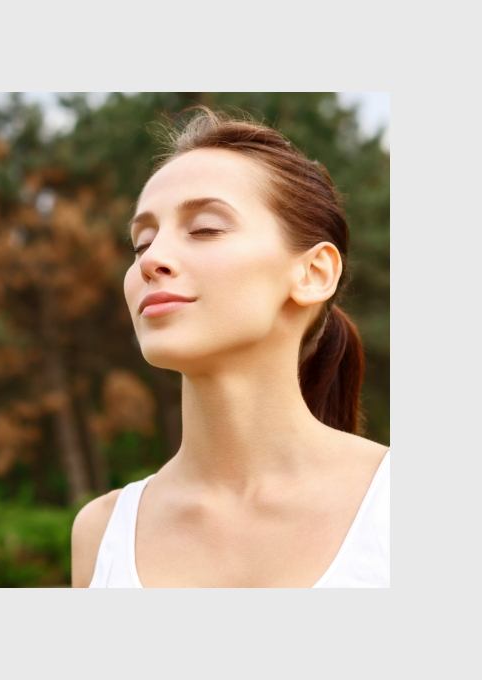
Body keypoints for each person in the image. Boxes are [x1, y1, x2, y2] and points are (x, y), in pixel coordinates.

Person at [71, 105, 390, 588]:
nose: (152, 260)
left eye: (205, 228)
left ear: (313, 273)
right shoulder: (100, 533)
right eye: (141, 243)